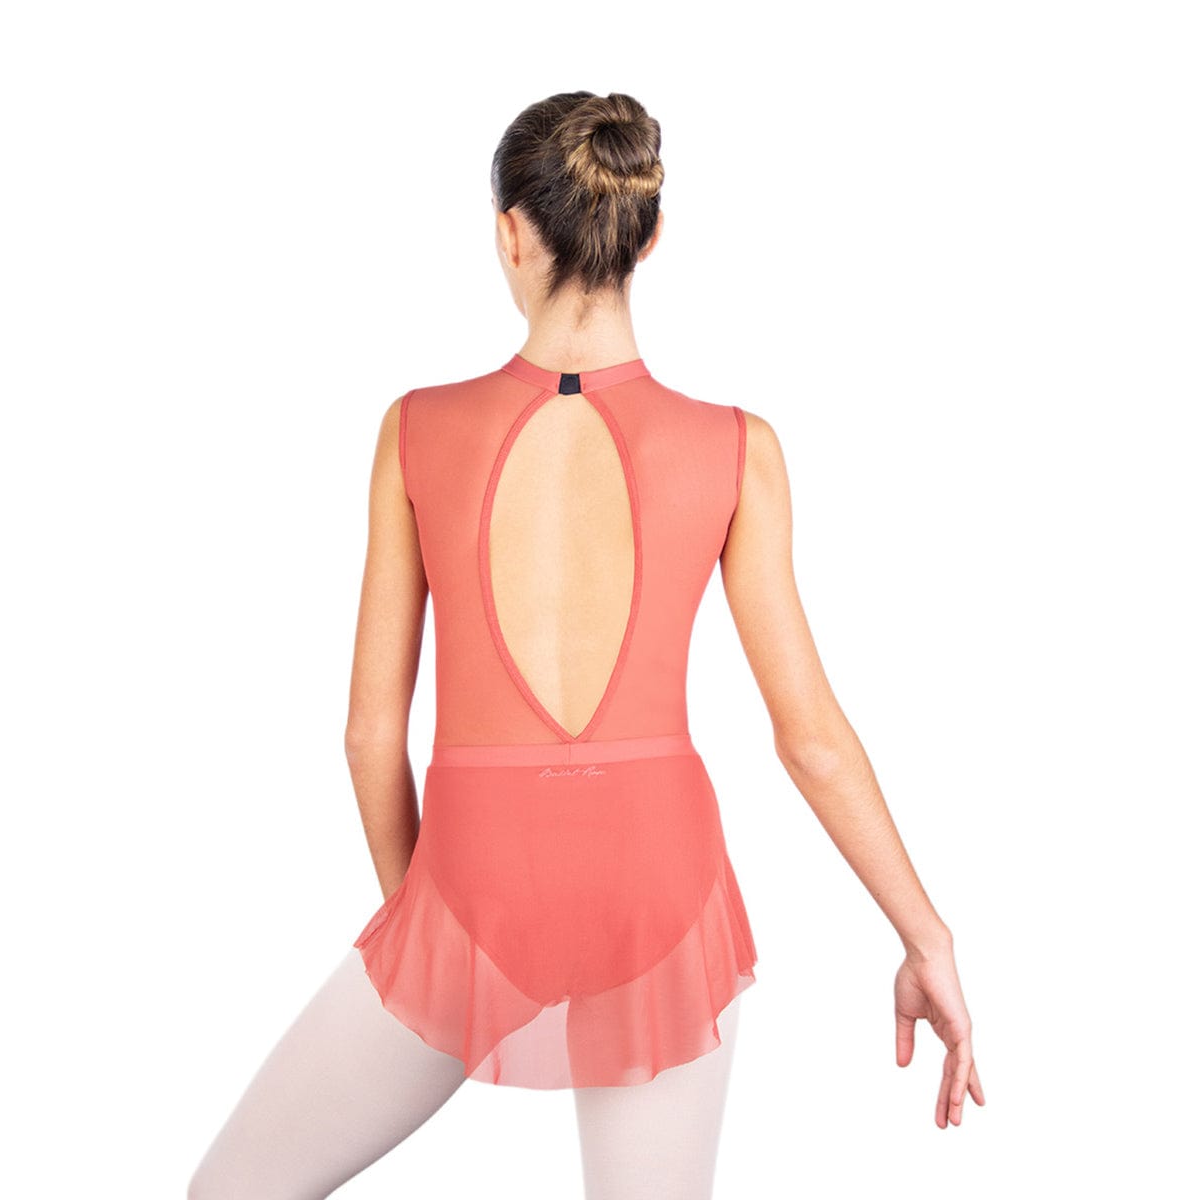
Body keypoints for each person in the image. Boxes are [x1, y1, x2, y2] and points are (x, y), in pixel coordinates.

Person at [188, 89, 984, 1200]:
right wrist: (925, 936)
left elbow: (371, 734)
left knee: (233, 1191)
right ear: (648, 238)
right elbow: (809, 738)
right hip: (661, 888)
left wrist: (437, 945)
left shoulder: (416, 429)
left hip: (477, 874)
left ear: (510, 234)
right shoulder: (738, 448)